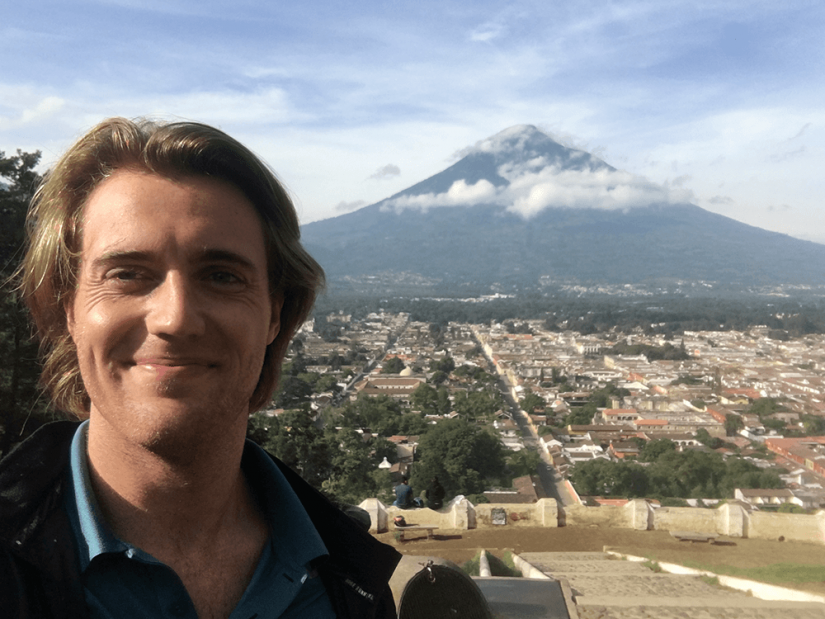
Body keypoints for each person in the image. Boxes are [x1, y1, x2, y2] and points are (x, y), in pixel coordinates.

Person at [0, 117, 400, 618]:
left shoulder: (350, 579)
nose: (176, 318)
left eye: (221, 275)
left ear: (275, 313)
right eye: (127, 274)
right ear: (68, 309)